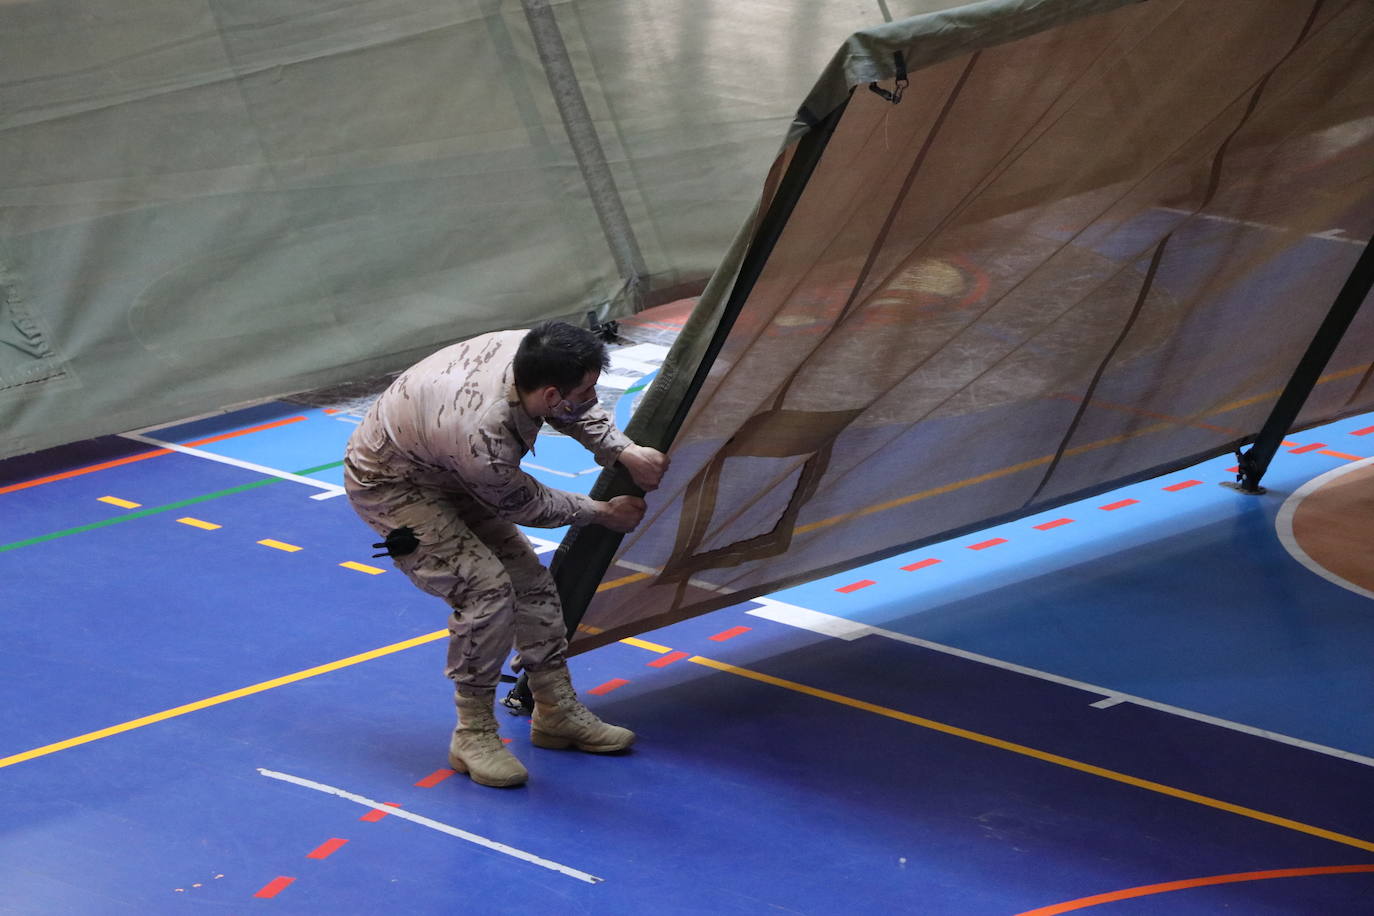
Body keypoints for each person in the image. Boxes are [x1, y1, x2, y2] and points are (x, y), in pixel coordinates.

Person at [343, 320, 669, 788]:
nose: (591, 397)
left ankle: (556, 711)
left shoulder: (538, 352)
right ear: (551, 393)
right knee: (485, 590)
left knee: (530, 582)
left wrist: (623, 451)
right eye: (585, 390)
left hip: (444, 461)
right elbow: (523, 503)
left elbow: (572, 405)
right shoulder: (484, 433)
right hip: (392, 482)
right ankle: (473, 734)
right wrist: (602, 512)